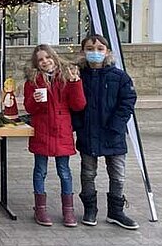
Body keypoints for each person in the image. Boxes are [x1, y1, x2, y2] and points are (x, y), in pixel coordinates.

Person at [72, 34, 138, 230]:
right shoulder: (78, 77)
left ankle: (116, 211)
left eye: (100, 49)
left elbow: (127, 102)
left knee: (117, 174)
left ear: (107, 52)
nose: (95, 52)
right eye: (90, 49)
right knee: (88, 172)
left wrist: (117, 126)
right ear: (83, 52)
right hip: (88, 132)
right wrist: (79, 124)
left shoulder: (119, 77)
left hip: (113, 134)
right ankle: (90, 209)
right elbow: (72, 103)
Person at [23, 44, 86, 227]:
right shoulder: (32, 81)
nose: (45, 62)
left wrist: (75, 84)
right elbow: (29, 108)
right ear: (36, 63)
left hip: (61, 130)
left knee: (64, 172)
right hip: (42, 130)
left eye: (47, 57)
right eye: (41, 59)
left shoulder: (67, 76)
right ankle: (40, 209)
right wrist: (35, 101)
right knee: (40, 170)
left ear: (54, 57)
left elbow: (78, 105)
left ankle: (68, 211)